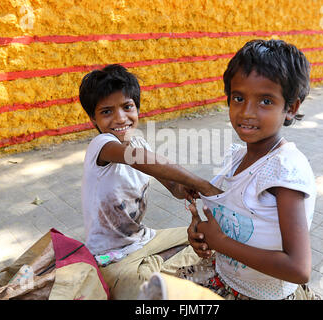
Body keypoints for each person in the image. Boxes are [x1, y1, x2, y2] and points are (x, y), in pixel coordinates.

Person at [178, 39, 320, 300]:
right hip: (223, 278)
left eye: (265, 101)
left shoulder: (284, 171)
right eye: (238, 98)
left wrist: (220, 242)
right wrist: (201, 234)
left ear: (291, 108)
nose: (246, 112)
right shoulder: (238, 157)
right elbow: (235, 216)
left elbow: (299, 269)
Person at [78, 64, 221, 299]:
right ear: (93, 118)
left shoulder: (140, 143)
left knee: (213, 241)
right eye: (107, 112)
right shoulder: (101, 145)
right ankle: (158, 272)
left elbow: (173, 186)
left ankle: (160, 267)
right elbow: (139, 160)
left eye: (127, 107)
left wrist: (185, 189)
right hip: (111, 258)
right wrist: (203, 184)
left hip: (146, 240)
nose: (120, 118)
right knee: (146, 291)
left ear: (137, 107)